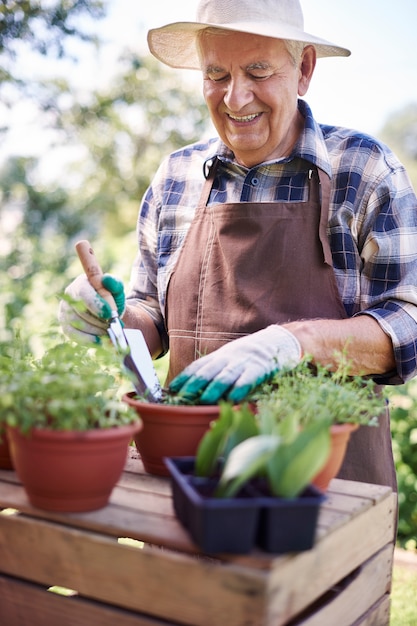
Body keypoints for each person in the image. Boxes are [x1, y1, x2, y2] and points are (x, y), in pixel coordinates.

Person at [59, 0, 417, 491]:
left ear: (304, 68)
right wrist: (109, 319)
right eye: (217, 74)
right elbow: (153, 320)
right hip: (185, 481)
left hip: (322, 492)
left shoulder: (364, 169)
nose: (235, 97)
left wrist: (296, 344)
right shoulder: (176, 177)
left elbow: (409, 323)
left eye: (257, 71)